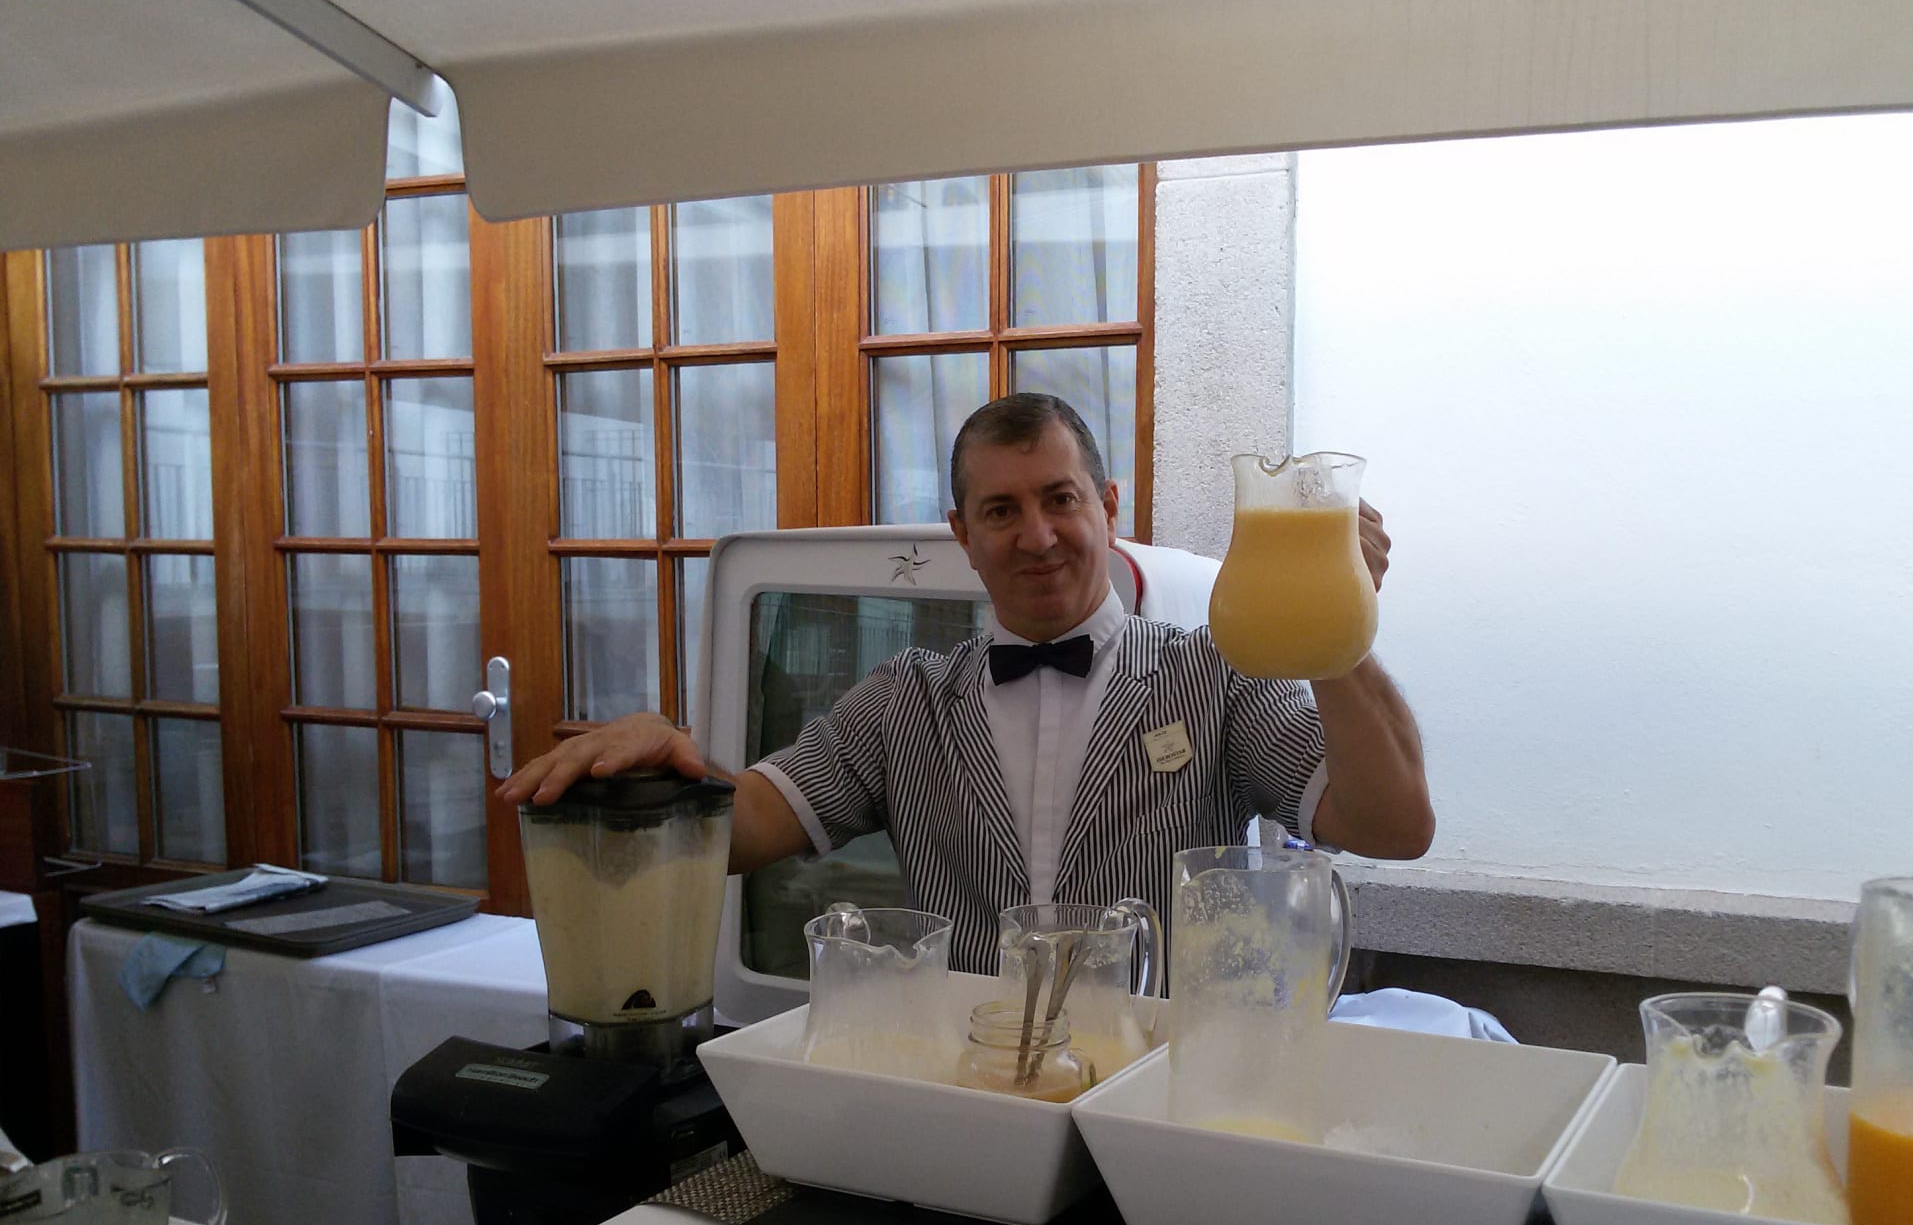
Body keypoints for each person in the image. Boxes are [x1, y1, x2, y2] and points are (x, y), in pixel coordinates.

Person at [501, 394, 1434, 973]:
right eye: (1001, 509)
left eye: (1060, 499)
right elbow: (743, 829)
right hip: (966, 1085)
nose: (1038, 536)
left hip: (1156, 1095)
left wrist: (1333, 626)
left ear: (1107, 508)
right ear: (963, 533)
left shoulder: (1216, 678)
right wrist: (667, 758)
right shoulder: (903, 700)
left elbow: (1395, 827)